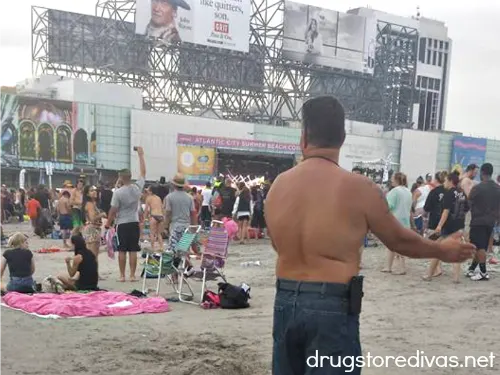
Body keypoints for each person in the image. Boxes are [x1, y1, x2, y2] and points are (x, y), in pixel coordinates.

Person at [264, 96, 475, 375]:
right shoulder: (358, 187)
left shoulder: (278, 186)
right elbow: (397, 240)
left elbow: (278, 244)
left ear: (303, 139)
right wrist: (440, 250)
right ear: (342, 138)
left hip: (285, 301)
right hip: (332, 304)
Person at [106, 147, 146, 282]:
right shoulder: (137, 188)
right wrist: (141, 155)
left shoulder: (118, 192)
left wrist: (108, 222)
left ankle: (122, 276)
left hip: (121, 224)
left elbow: (113, 210)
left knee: (122, 250)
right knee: (133, 250)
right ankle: (133, 275)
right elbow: (143, 173)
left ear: (121, 178)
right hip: (134, 222)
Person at [423, 172, 468, 283]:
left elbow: (446, 211)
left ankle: (429, 275)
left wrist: (439, 226)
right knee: (456, 251)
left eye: (446, 181)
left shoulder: (449, 193)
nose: (444, 183)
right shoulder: (462, 193)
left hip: (448, 227)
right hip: (459, 226)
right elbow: (466, 209)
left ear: (450, 181)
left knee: (437, 250)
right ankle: (456, 278)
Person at [466, 163, 500, 281]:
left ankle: (483, 272)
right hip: (490, 222)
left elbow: (468, 204)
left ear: (482, 173)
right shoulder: (497, 188)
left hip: (478, 221)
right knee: (480, 246)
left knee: (479, 247)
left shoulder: (477, 188)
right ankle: (472, 268)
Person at [164, 173, 199, 275]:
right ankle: (184, 273)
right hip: (187, 227)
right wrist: (194, 228)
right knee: (185, 250)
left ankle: (176, 275)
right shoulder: (189, 198)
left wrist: (165, 226)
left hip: (175, 227)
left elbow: (168, 213)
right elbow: (193, 214)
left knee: (174, 252)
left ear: (173, 185)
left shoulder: (169, 197)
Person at [381, 172, 412, 275]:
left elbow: (388, 206)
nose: (391, 180)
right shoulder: (408, 191)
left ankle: (401, 268)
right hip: (405, 221)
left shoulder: (394, 192)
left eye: (392, 178)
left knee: (395, 246)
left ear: (396, 180)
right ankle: (389, 266)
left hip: (395, 221)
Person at [423, 171, 447, 277]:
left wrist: (423, 216)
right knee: (438, 246)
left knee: (430, 246)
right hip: (446, 222)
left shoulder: (434, 192)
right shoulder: (448, 191)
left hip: (434, 222)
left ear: (436, 180)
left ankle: (437, 269)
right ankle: (438, 267)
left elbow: (427, 207)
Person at [81, 185, 106, 267]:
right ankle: (93, 273)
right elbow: (92, 218)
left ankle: (94, 272)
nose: (94, 192)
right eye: (91, 190)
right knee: (93, 254)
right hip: (92, 229)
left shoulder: (92, 203)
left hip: (93, 228)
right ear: (87, 194)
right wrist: (101, 214)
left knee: (93, 253)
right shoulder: (90, 204)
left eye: (95, 190)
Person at [144, 185, 164, 250]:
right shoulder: (159, 198)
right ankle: (161, 247)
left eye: (148, 190)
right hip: (160, 216)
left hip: (154, 216)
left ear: (151, 191)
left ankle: (152, 247)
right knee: (159, 233)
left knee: (152, 233)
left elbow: (146, 210)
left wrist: (145, 218)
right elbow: (162, 208)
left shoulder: (148, 198)